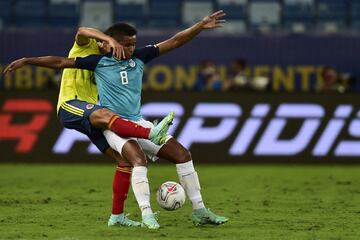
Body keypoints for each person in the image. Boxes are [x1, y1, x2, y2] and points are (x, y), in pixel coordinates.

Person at [4, 10, 229, 229]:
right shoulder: (95, 59)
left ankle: (199, 211)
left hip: (133, 120)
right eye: (125, 44)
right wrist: (28, 60)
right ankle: (147, 214)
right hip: (110, 124)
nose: (130, 48)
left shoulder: (140, 56)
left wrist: (200, 26)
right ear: (110, 42)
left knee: (182, 154)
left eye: (132, 44)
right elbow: (61, 61)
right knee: (137, 160)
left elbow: (174, 41)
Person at [3, 27, 175, 227]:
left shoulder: (107, 64)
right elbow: (81, 32)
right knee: (105, 114)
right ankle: (151, 133)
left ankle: (117, 217)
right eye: (108, 44)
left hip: (92, 113)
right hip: (71, 105)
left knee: (124, 161)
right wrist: (27, 60)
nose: (110, 48)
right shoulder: (85, 46)